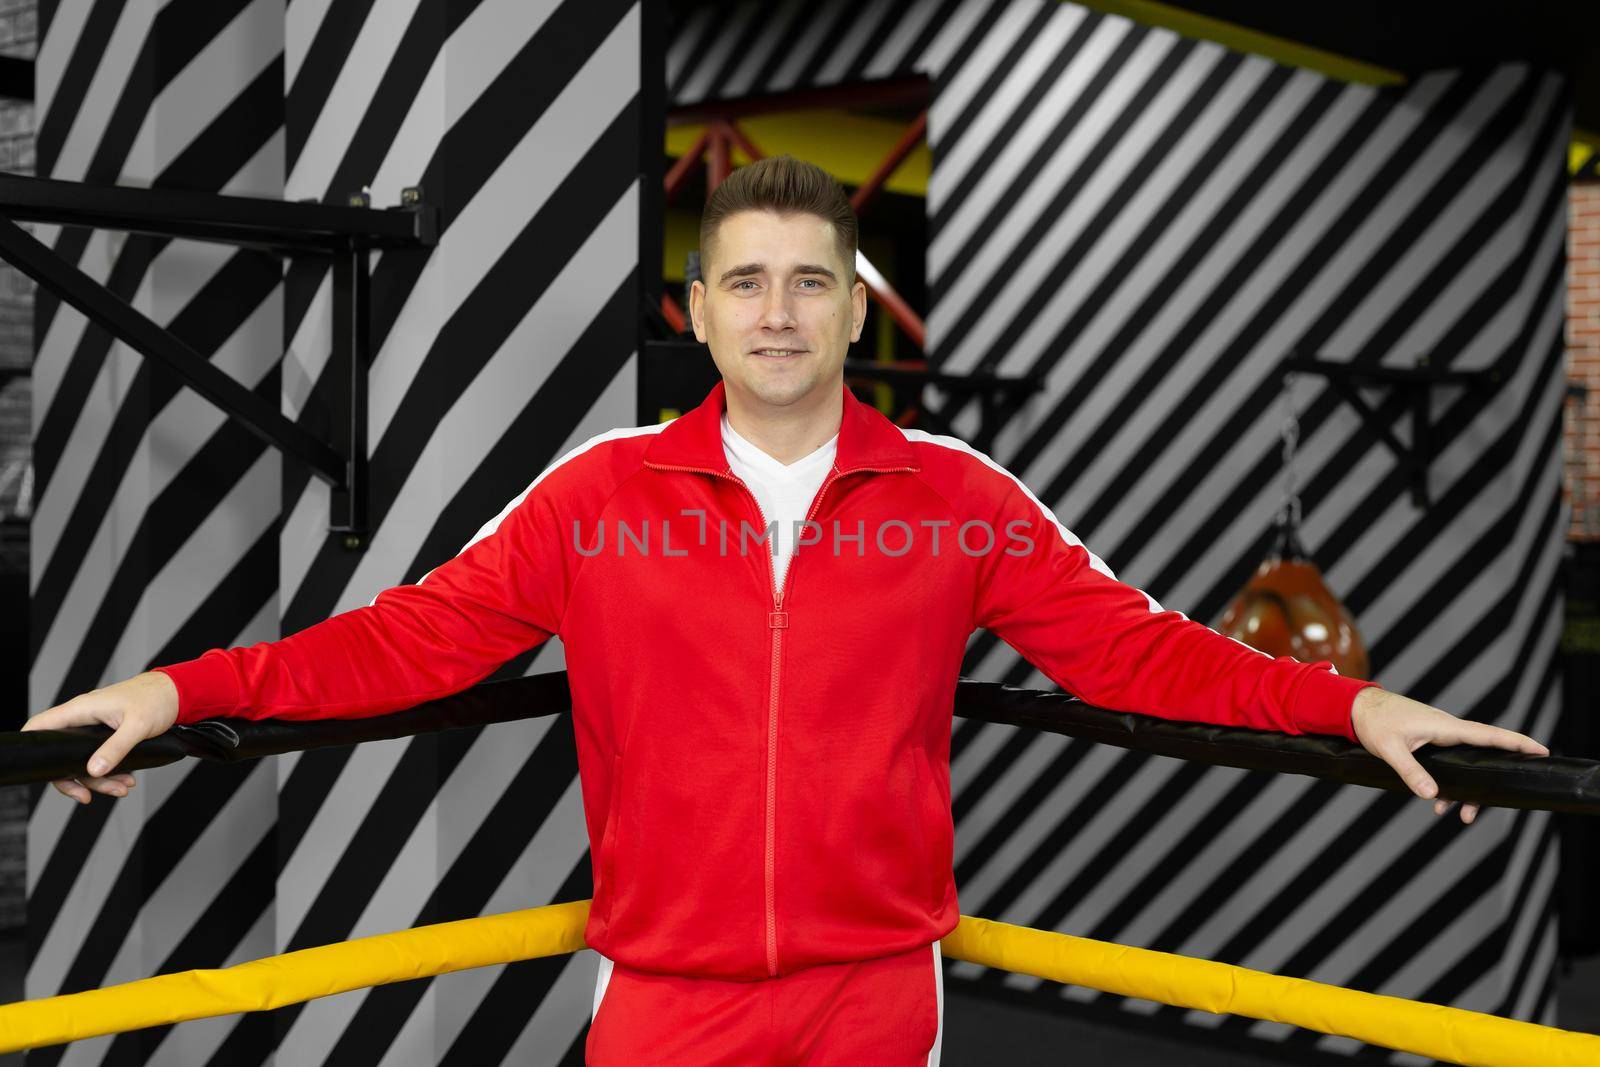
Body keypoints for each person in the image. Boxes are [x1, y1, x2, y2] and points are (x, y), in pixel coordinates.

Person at [23, 155, 1550, 1065]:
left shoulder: (956, 493)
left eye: (809, 283)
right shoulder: (596, 494)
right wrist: (180, 692)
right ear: (694, 312)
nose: (776, 313)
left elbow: (1134, 649)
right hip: (665, 994)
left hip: (876, 994)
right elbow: (405, 641)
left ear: (850, 307)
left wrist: (1355, 705)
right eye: (744, 283)